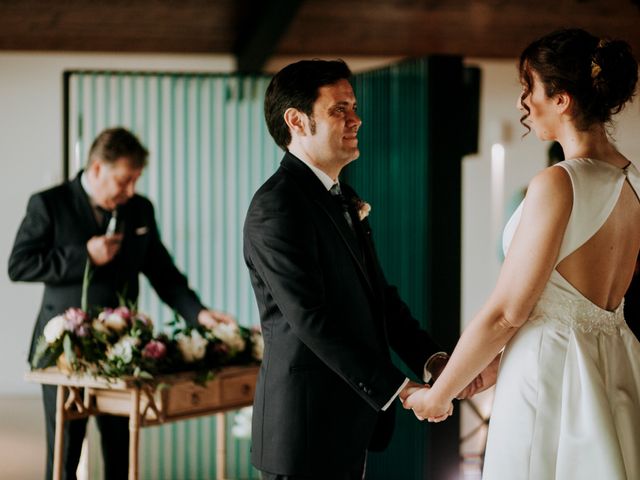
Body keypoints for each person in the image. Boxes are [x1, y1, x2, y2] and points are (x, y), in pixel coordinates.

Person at [404, 28, 640, 479]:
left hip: (550, 376)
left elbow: (507, 312)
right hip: (614, 366)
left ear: (562, 99)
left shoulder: (559, 181)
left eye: (528, 88)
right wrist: (489, 367)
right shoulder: (631, 182)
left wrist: (441, 394)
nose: (522, 103)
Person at [243, 59, 484, 480]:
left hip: (348, 423)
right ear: (297, 121)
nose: (356, 118)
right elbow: (312, 320)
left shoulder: (342, 196)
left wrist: (435, 362)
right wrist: (401, 387)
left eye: (353, 106)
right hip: (304, 430)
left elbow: (381, 299)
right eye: (339, 109)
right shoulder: (275, 207)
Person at [8, 127, 234, 480]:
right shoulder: (48, 203)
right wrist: (84, 255)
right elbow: (18, 265)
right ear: (97, 169)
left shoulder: (140, 210)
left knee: (120, 452)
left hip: (123, 351)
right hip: (63, 353)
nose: (130, 191)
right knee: (64, 455)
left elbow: (163, 272)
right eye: (124, 181)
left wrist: (199, 314)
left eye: (135, 181)